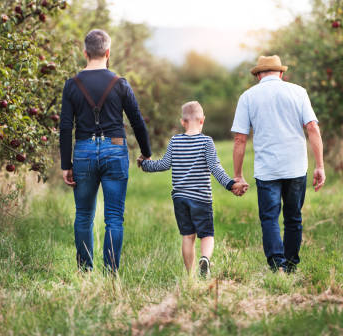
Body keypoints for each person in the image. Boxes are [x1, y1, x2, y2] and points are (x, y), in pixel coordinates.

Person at [59, 29, 152, 273]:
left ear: (85, 53)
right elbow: (137, 121)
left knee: (83, 216)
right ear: (108, 53)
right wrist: (146, 152)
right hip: (115, 149)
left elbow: (66, 126)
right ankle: (111, 273)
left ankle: (85, 271)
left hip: (83, 151)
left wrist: (65, 164)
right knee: (113, 217)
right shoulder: (120, 84)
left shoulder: (72, 85)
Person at [230, 55, 325, 273]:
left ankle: (277, 267)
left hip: (267, 170)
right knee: (293, 217)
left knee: (269, 218)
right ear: (281, 73)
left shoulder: (248, 97)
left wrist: (238, 175)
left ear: (258, 76)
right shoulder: (298, 92)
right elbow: (312, 128)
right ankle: (291, 265)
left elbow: (239, 139)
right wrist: (319, 165)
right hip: (296, 167)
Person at [139, 101, 248, 278]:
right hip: (201, 198)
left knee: (187, 236)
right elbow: (215, 168)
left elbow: (164, 164)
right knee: (207, 235)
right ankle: (205, 259)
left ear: (183, 122)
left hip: (180, 198)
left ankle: (190, 276)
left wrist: (145, 164)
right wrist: (231, 184)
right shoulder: (206, 142)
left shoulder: (175, 140)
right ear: (202, 120)